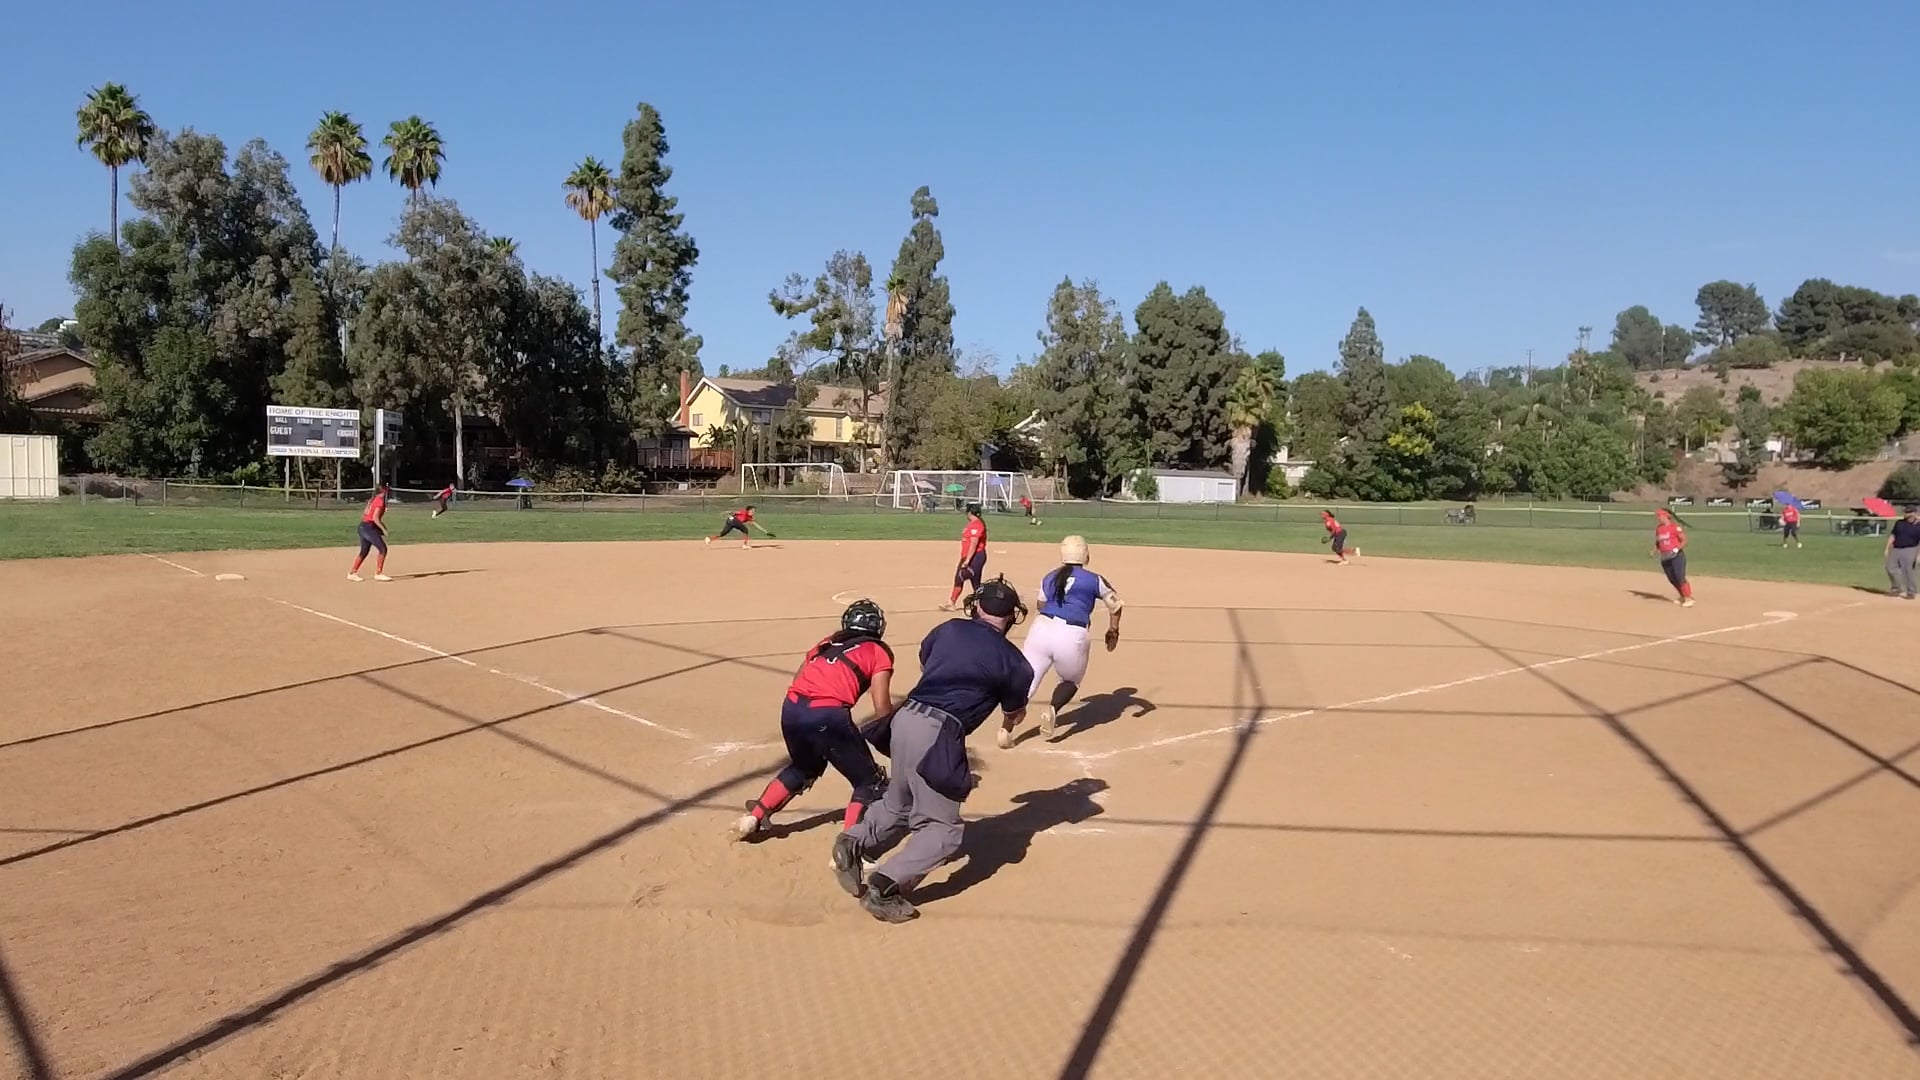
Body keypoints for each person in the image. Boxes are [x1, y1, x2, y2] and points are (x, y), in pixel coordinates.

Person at [832, 576, 1034, 923]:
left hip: (905, 718)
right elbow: (1013, 710)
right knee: (944, 830)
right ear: (1013, 615)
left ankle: (854, 841)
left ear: (976, 605)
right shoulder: (1015, 662)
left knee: (899, 802)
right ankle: (885, 885)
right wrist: (1012, 717)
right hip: (940, 731)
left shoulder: (949, 628)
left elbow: (928, 660)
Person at [733, 600, 897, 840]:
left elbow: (800, 677)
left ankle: (753, 817)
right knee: (868, 781)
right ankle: (849, 844)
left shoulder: (826, 643)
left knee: (804, 767)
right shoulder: (878, 651)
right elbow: (881, 705)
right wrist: (892, 738)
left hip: (792, 708)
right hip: (827, 715)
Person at [1004, 535, 1124, 746]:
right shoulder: (1094, 579)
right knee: (1070, 681)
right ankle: (1052, 709)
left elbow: (1041, 605)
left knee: (1028, 678)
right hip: (1072, 633)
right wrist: (1113, 629)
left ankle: (1005, 730)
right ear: (1085, 555)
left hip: (1041, 629)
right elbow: (1115, 605)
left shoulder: (1050, 577)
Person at [941, 503, 989, 610]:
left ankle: (952, 602)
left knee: (961, 576)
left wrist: (967, 560)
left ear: (970, 512)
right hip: (968, 556)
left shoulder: (977, 525)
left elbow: (973, 544)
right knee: (975, 582)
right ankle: (983, 604)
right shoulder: (971, 524)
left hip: (975, 557)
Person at [348, 484, 393, 582]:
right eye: (386, 491)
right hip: (368, 528)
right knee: (383, 549)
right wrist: (383, 529)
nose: (387, 493)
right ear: (383, 492)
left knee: (364, 551)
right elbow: (375, 518)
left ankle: (352, 573)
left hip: (364, 527)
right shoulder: (379, 501)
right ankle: (378, 573)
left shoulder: (373, 499)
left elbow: (366, 512)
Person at [1653, 508, 1695, 607]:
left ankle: (1689, 598)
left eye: (1660, 516)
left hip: (1676, 556)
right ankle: (1682, 596)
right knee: (1672, 578)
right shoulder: (1659, 529)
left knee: (1679, 576)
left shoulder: (1675, 527)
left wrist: (1676, 549)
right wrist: (1654, 550)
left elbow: (1684, 540)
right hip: (1665, 556)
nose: (1658, 518)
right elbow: (1659, 541)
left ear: (1666, 516)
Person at [1886, 504, 1920, 600]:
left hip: (1910, 548)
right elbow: (1893, 535)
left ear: (1915, 513)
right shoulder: (1899, 523)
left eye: (1909, 512)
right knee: (1890, 568)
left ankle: (1911, 591)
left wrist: (1918, 555)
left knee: (1908, 570)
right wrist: (1887, 547)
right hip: (1896, 548)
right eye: (1906, 512)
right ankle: (1896, 588)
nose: (1906, 514)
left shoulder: (1918, 525)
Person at [706, 504, 772, 549]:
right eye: (753, 510)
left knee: (723, 534)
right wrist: (728, 512)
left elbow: (756, 525)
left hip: (733, 522)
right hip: (733, 520)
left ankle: (709, 539)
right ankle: (745, 545)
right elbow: (735, 512)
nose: (753, 512)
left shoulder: (750, 518)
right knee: (744, 530)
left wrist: (765, 532)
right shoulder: (744, 512)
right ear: (749, 510)